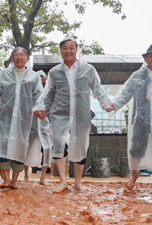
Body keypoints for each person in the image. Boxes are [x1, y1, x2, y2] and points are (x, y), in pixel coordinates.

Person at [34, 37, 111, 192]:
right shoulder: (55, 72)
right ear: (60, 51)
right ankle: (63, 181)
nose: (68, 51)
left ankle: (77, 182)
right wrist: (42, 109)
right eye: (65, 48)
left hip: (81, 114)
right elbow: (48, 94)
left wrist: (106, 103)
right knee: (59, 145)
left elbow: (98, 88)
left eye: (71, 47)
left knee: (80, 146)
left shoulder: (88, 69)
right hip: (59, 114)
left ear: (76, 50)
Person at [106, 44, 152, 196]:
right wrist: (114, 105)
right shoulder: (137, 76)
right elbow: (125, 93)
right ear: (145, 59)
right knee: (136, 150)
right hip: (140, 121)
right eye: (150, 56)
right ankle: (133, 177)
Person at [0, 47, 43, 189]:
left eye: (22, 55)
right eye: (16, 55)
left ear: (27, 58)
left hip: (25, 119)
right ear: (12, 58)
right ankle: (6, 179)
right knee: (4, 146)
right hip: (5, 117)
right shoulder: (4, 73)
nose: (19, 57)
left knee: (21, 147)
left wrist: (39, 109)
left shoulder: (34, 76)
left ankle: (14, 180)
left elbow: (38, 95)